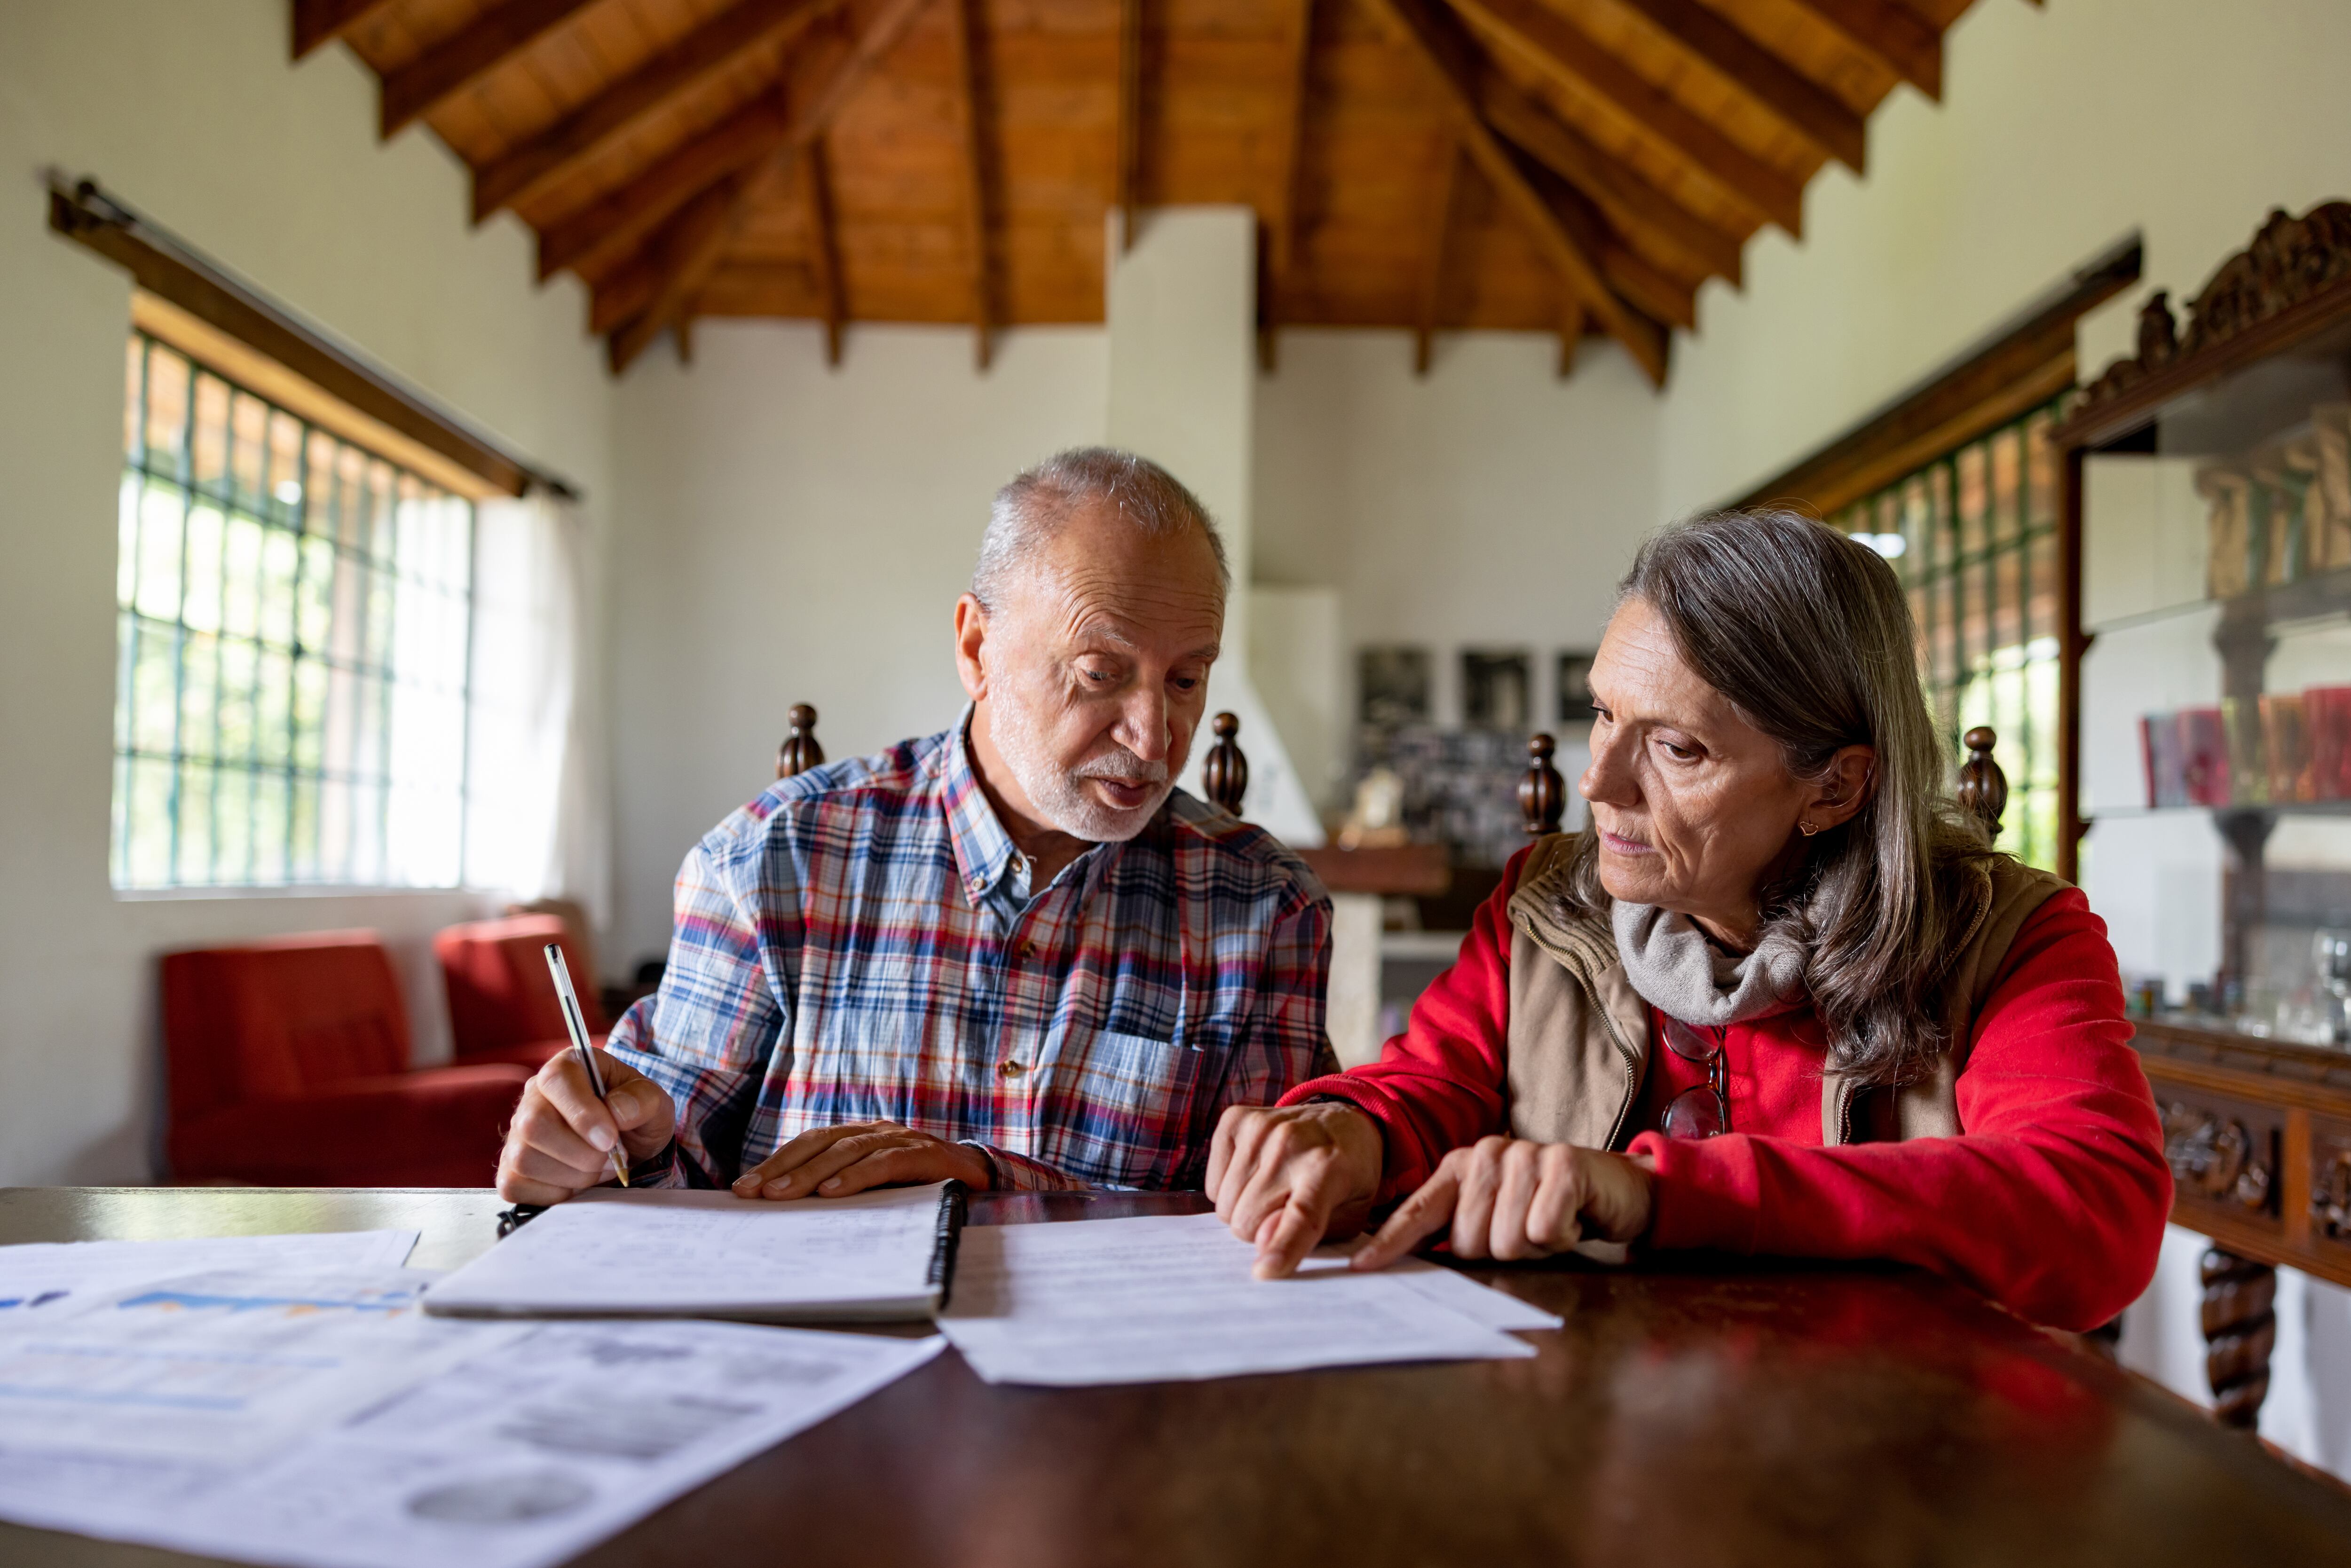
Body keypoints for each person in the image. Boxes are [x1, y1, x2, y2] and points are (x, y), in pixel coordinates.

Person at [1208, 509, 2170, 1331]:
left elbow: (2094, 1211)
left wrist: (1664, 1193)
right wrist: (1346, 1132)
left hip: (1885, 1468)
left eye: (1676, 748)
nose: (1598, 782)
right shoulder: (1545, 908)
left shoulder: (2006, 939)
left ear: (1835, 785)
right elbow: (1427, 1084)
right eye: (1600, 714)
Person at [497, 448, 1331, 1202]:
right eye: (1101, 673)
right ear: (977, 649)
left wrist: (980, 1174)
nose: (1155, 738)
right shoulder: (772, 863)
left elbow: (1264, 1220)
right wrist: (597, 1153)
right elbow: (662, 1174)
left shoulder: (1264, 909)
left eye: (1187, 680)